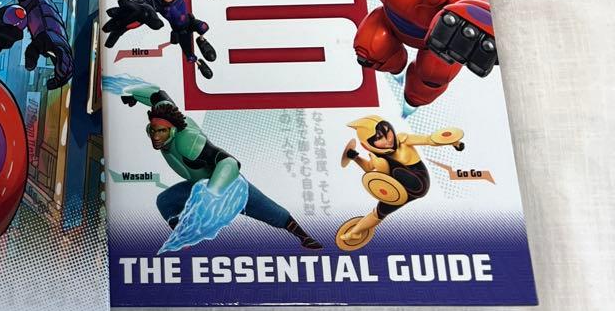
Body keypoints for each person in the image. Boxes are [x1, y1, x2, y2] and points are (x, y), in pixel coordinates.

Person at [121, 85, 321, 248]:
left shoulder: (188, 142)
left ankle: (304, 237)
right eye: (153, 130)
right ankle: (183, 235)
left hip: (228, 184)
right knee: (165, 201)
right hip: (200, 184)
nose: (156, 136)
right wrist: (133, 95)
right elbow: (158, 94)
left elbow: (229, 162)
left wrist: (211, 194)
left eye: (162, 132)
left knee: (270, 211)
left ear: (173, 130)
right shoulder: (162, 119)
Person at [337, 117, 465, 249]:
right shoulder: (379, 157)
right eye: (379, 138)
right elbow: (369, 169)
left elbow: (429, 140)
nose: (388, 140)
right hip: (400, 192)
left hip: (419, 182)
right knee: (379, 213)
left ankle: (387, 174)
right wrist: (355, 157)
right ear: (367, 145)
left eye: (388, 132)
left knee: (384, 164)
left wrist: (452, 141)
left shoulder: (403, 140)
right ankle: (355, 232)